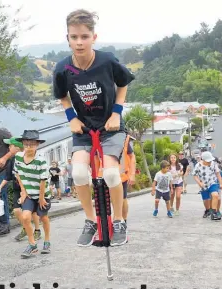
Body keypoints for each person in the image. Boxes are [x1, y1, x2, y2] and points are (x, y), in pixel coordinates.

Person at [53, 9, 135, 247]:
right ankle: (90, 220)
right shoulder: (62, 69)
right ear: (67, 38)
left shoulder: (107, 60)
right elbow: (62, 96)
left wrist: (117, 113)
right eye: (74, 37)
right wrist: (72, 118)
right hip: (84, 129)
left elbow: (123, 85)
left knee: (110, 174)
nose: (79, 42)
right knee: (78, 172)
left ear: (94, 37)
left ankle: (119, 220)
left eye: (84, 37)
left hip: (111, 127)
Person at [0, 136, 42, 242]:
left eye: (10, 145)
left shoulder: (32, 158)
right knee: (16, 210)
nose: (8, 147)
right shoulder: (12, 160)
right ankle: (26, 228)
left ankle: (37, 231)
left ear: (17, 148)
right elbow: (7, 177)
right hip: (17, 189)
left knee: (33, 212)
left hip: (30, 189)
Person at [14, 130, 52, 258]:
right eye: (26, 144)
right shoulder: (18, 157)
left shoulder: (41, 161)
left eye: (32, 144)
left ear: (37, 145)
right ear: (23, 145)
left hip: (42, 194)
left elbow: (43, 181)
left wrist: (41, 198)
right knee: (25, 217)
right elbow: (17, 173)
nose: (28, 147)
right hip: (29, 194)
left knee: (43, 218)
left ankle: (47, 241)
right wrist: (23, 191)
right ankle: (32, 244)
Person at [192, 151, 222, 220]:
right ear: (203, 160)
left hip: (212, 183)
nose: (209, 162)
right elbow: (194, 175)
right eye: (208, 161)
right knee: (206, 200)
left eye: (210, 160)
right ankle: (207, 210)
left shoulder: (213, 164)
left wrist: (221, 184)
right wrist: (199, 183)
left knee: (215, 195)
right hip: (203, 185)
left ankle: (214, 213)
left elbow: (218, 174)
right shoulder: (198, 165)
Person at [120, 134, 136, 223]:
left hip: (121, 175)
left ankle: (123, 221)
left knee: (122, 198)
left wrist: (132, 174)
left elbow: (132, 156)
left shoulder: (124, 138)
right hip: (103, 175)